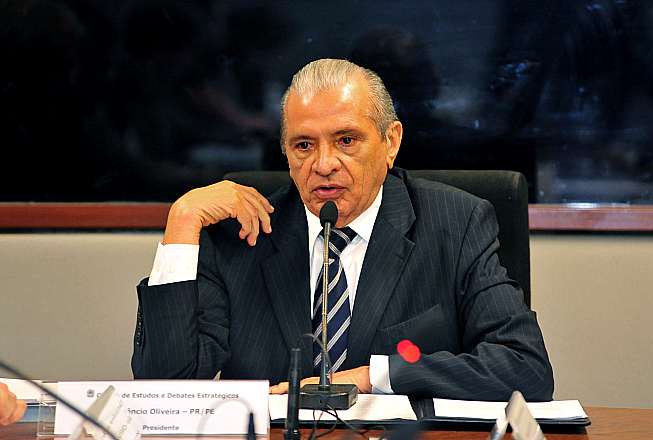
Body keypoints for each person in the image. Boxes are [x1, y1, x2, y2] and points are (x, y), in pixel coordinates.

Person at [131, 58, 554, 401]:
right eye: (304, 145)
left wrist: (375, 376)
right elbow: (164, 390)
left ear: (390, 142)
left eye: (346, 140)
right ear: (286, 153)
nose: (324, 164)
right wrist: (182, 221)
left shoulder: (456, 223)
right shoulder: (241, 236)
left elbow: (526, 368)